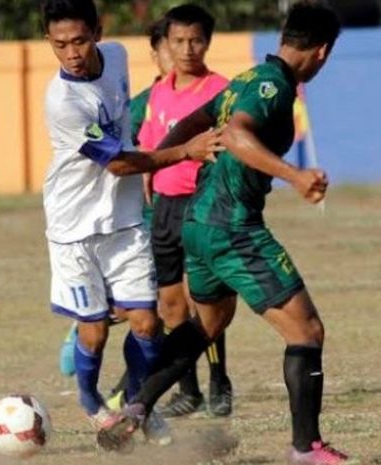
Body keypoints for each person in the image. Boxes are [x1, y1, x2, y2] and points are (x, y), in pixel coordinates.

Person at [97, 2, 354, 463]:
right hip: (232, 226)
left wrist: (170, 155)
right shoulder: (272, 87)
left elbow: (193, 122)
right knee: (307, 332)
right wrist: (294, 177)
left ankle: (135, 406)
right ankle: (306, 450)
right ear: (322, 51)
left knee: (207, 325)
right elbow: (235, 134)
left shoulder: (245, 81)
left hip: (198, 222)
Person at [40, 0, 222, 443]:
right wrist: (184, 150)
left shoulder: (117, 56)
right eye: (60, 45)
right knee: (95, 331)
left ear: (98, 32)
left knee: (147, 322)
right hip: (73, 227)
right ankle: (90, 402)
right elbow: (118, 164)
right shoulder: (63, 102)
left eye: (80, 40)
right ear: (50, 42)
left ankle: (136, 404)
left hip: (122, 222)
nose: (72, 53)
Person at [57, 14, 173, 379]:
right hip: (118, 210)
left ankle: (164, 394)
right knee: (154, 305)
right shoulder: (143, 101)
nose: (180, 54)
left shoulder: (208, 92)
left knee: (164, 308)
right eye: (168, 47)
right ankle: (88, 322)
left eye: (189, 42)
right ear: (154, 54)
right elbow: (121, 159)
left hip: (174, 205)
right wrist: (183, 153)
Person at [138, 4, 233, 418]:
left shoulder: (221, 90)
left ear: (207, 41)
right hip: (164, 208)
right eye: (178, 41)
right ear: (167, 44)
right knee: (171, 306)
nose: (187, 48)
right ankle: (188, 390)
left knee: (205, 301)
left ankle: (219, 383)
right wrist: (147, 172)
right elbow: (150, 145)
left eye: (195, 40)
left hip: (202, 206)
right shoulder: (159, 91)